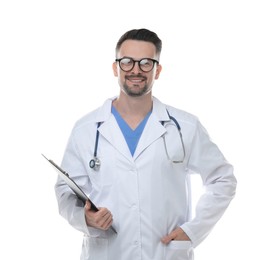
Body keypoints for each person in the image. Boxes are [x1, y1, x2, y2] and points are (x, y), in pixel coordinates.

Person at [54, 28, 237, 260]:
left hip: (164, 253)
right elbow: (65, 192)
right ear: (115, 67)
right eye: (127, 62)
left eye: (146, 63)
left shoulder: (185, 127)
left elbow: (223, 179)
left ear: (157, 70)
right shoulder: (86, 129)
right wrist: (85, 219)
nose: (136, 70)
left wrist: (192, 231)